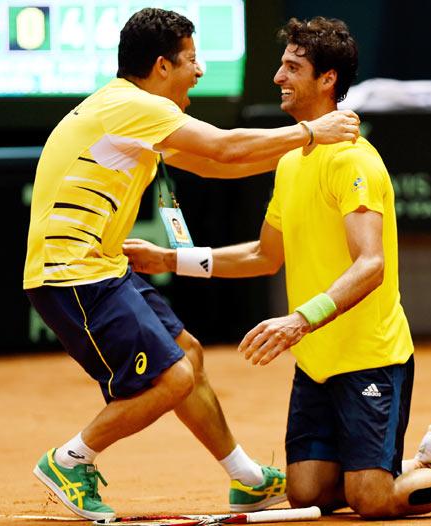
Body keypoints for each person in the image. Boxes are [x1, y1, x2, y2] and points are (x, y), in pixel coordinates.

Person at [124, 16, 431, 519]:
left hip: (370, 357)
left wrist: (300, 319)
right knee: (308, 493)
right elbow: (264, 255)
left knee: (370, 499)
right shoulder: (294, 159)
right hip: (318, 362)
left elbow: (372, 264)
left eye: (293, 67)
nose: (279, 77)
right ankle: (429, 463)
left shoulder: (353, 161)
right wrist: (170, 260)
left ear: (327, 79)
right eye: (281, 64)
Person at [23, 8, 360, 521]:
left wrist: (303, 146)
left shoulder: (131, 112)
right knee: (174, 377)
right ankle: (71, 459)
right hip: (73, 273)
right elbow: (225, 147)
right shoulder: (135, 106)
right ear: (162, 66)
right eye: (192, 60)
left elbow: (214, 163)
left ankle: (246, 479)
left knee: (188, 354)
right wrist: (313, 133)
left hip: (103, 267)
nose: (199, 71)